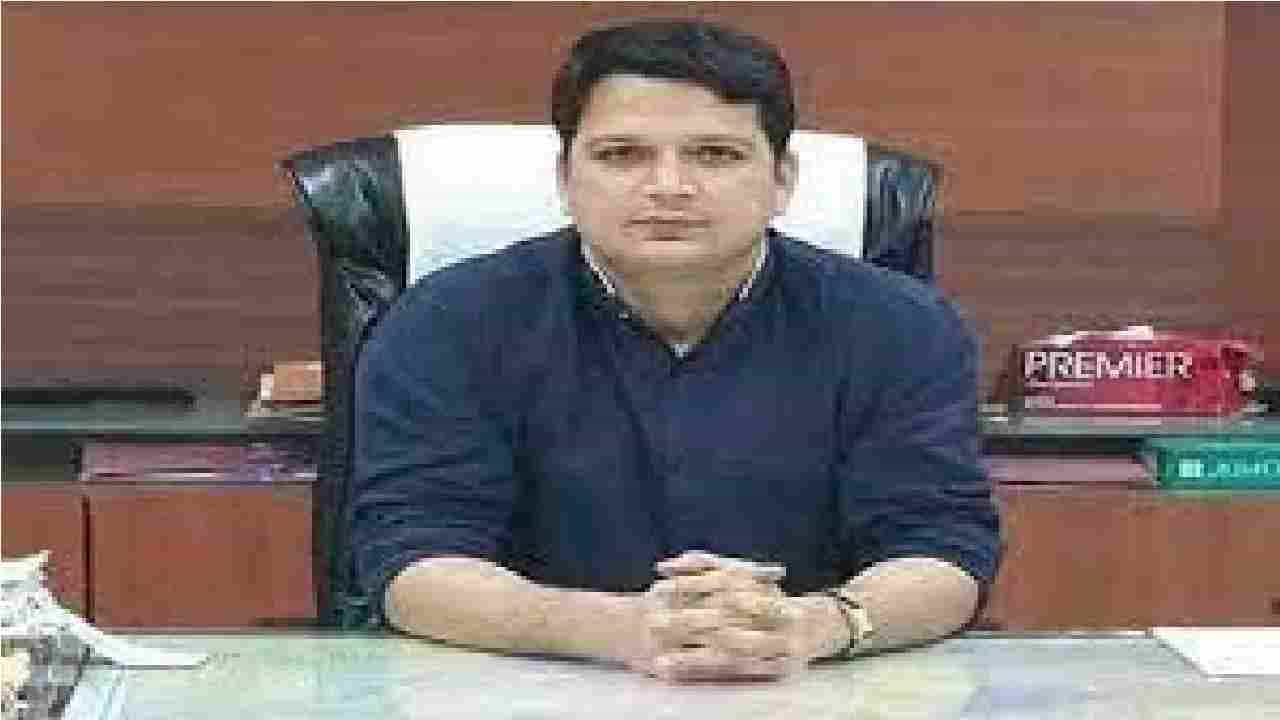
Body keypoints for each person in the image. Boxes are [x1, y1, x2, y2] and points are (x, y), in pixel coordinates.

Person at [351, 18, 1001, 683]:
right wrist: (617, 629)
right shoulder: (446, 322)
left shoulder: (900, 326)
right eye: (621, 155)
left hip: (817, 687)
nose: (669, 186)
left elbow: (943, 552)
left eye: (715, 155)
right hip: (521, 688)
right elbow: (412, 564)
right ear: (565, 178)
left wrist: (814, 626)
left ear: (782, 179)